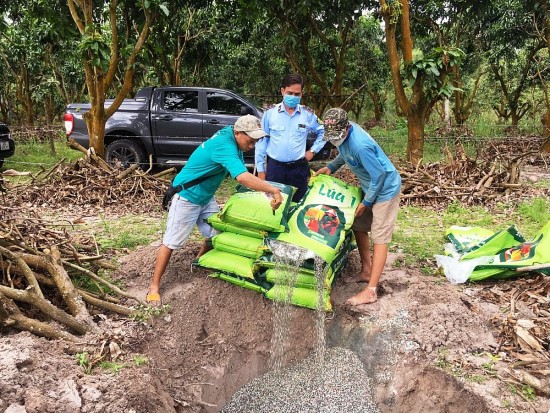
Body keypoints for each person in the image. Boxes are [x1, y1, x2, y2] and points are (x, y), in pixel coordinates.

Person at [146, 115, 284, 305]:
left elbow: (241, 173)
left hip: (206, 196)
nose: (252, 146)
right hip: (187, 196)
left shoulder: (233, 140)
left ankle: (199, 262)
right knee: (172, 242)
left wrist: (263, 192)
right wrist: (273, 189)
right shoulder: (224, 145)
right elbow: (242, 177)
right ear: (238, 133)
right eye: (250, 141)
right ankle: (154, 286)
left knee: (216, 234)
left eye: (256, 142)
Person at [314, 108, 401, 306]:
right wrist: (331, 167)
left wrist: (366, 202)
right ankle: (366, 270)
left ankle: (371, 290)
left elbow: (379, 175)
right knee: (359, 226)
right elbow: (345, 153)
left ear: (347, 128)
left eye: (337, 136)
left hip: (385, 190)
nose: (334, 139)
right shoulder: (344, 136)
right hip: (369, 187)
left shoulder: (360, 145)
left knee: (380, 237)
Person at [255, 74, 326, 202]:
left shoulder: (307, 114)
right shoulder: (270, 114)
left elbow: (325, 132)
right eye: (290, 93)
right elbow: (261, 141)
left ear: (301, 94)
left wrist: (313, 151)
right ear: (282, 91)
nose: (293, 97)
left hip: (298, 169)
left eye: (297, 94)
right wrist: (260, 170)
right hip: (275, 169)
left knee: (297, 204)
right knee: (273, 204)